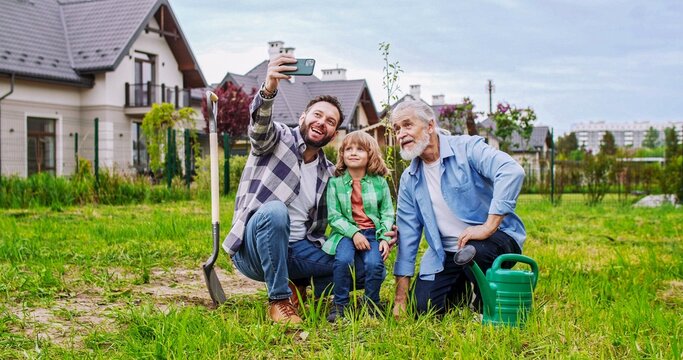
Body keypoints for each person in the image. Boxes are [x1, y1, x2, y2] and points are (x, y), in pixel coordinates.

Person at [223, 54, 396, 324]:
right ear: (303, 117)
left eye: (330, 121)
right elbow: (259, 128)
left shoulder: (329, 174)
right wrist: (269, 87)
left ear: (334, 133)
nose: (321, 123)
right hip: (253, 250)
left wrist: (382, 231)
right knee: (275, 212)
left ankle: (299, 285)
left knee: (367, 269)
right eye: (317, 115)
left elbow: (352, 211)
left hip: (300, 249)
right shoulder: (275, 138)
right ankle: (279, 300)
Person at [390, 99, 526, 317]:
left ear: (430, 126)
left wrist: (488, 227)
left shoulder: (467, 148)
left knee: (475, 250)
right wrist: (400, 300)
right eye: (396, 129)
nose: (400, 134)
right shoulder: (410, 179)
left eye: (407, 125)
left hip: (494, 240)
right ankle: (461, 286)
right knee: (424, 309)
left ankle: (484, 306)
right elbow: (407, 237)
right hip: (446, 254)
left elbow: (511, 171)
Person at [323, 131, 394, 322]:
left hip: (372, 234)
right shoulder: (335, 184)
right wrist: (354, 233)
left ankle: (371, 304)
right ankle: (340, 305)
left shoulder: (379, 183)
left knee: (374, 263)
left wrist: (385, 238)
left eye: (360, 149)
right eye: (348, 149)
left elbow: (387, 213)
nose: (353, 153)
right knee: (344, 261)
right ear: (342, 154)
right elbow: (334, 216)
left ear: (370, 154)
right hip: (345, 233)